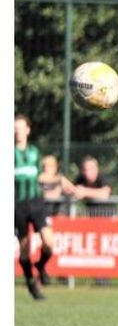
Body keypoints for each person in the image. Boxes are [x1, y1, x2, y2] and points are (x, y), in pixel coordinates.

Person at [15, 115, 54, 299]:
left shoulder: (34, 152)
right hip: (16, 205)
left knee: (49, 243)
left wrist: (60, 180)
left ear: (28, 130)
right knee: (25, 247)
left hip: (36, 203)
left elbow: (41, 177)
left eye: (21, 128)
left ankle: (40, 265)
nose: (17, 131)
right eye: (14, 128)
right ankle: (31, 282)